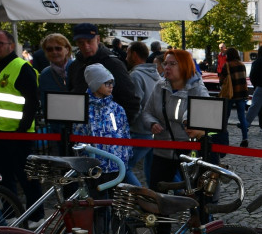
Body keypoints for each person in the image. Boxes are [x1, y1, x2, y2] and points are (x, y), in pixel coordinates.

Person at [0, 29, 42, 221]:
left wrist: (22, 129)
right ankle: (10, 213)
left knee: (27, 178)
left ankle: (37, 216)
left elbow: (32, 102)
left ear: (11, 45)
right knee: (4, 177)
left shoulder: (22, 67)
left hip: (20, 134)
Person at [140, 50, 208, 190]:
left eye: (172, 64)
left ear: (184, 65)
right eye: (165, 63)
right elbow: (147, 112)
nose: (166, 67)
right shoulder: (160, 87)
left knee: (195, 194)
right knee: (158, 193)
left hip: (189, 152)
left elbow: (202, 119)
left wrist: (189, 121)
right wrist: (152, 123)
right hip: (162, 151)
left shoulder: (198, 90)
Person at [67, 23, 140, 122]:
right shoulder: (74, 66)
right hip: (81, 128)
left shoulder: (113, 64)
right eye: (81, 43)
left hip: (108, 130)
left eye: (89, 41)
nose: (86, 46)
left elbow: (130, 100)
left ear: (97, 39)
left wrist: (117, 127)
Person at [74, 63, 132, 179]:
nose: (111, 86)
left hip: (116, 164)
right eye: (107, 83)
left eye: (112, 83)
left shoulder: (116, 108)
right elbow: (78, 135)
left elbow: (125, 132)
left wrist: (127, 155)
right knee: (98, 195)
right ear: (95, 84)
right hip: (95, 166)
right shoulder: (83, 109)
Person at [126, 41, 159, 185]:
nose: (126, 57)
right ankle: (155, 198)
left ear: (134, 54)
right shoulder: (155, 74)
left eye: (127, 53)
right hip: (154, 128)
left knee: (123, 167)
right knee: (152, 170)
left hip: (141, 129)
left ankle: (142, 199)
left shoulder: (135, 76)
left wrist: (127, 124)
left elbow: (135, 104)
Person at [37, 33, 72, 119]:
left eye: (58, 48)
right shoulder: (44, 75)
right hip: (56, 123)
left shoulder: (79, 69)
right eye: (49, 49)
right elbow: (45, 104)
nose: (54, 52)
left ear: (67, 49)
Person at [220, 47, 250, 147]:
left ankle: (223, 138)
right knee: (242, 117)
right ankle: (245, 138)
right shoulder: (242, 65)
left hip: (230, 94)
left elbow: (221, 80)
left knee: (225, 116)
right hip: (241, 93)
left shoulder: (227, 65)